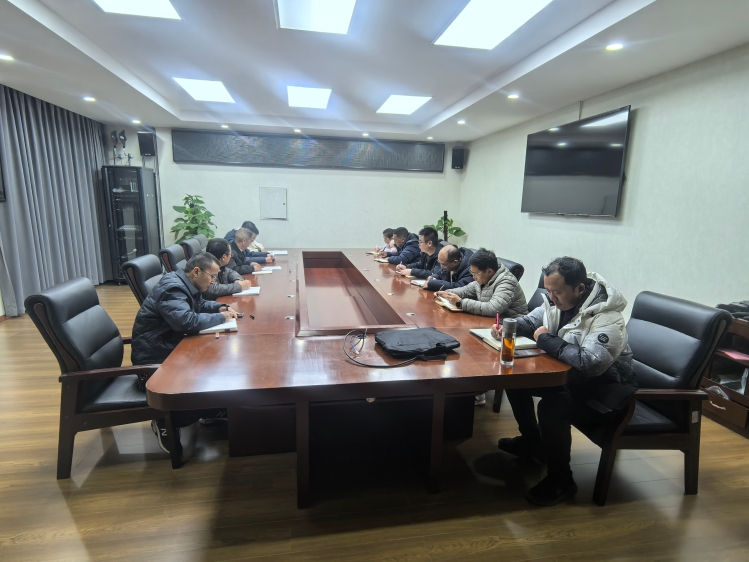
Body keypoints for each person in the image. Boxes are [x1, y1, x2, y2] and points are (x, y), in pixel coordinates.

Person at [493, 257, 635, 507]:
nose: (550, 297)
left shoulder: (607, 317)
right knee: (515, 380)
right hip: (572, 379)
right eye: (547, 290)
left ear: (579, 288)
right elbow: (531, 322)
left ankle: (562, 480)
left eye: (556, 292)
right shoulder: (555, 301)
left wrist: (546, 339)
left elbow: (591, 363)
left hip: (605, 391)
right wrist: (506, 327)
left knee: (552, 407)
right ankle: (533, 442)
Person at [131, 252, 239, 453]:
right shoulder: (172, 288)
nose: (214, 281)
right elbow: (186, 321)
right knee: (215, 369)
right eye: (212, 276)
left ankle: (212, 409)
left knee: (218, 360)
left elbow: (197, 305)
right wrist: (222, 318)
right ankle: (169, 421)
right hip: (157, 360)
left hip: (169, 347)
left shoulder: (184, 283)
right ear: (197, 271)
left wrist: (220, 307)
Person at [435, 248, 528, 317]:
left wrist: (460, 302)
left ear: (489, 271)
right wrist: (447, 293)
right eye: (472, 273)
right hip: (491, 322)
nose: (473, 277)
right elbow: (465, 290)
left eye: (475, 273)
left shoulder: (507, 281)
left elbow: (493, 309)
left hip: (512, 327)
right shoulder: (483, 279)